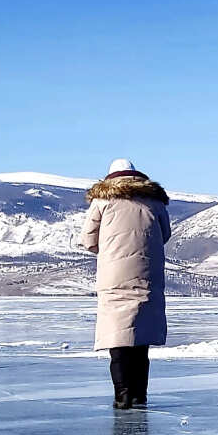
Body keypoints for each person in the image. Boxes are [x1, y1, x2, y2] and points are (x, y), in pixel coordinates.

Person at [78, 158, 172, 409]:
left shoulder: (102, 202)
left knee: (117, 339)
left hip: (114, 276)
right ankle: (140, 394)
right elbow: (165, 235)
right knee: (141, 341)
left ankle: (122, 395)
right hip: (147, 275)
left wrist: (109, 250)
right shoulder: (154, 201)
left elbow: (88, 240)